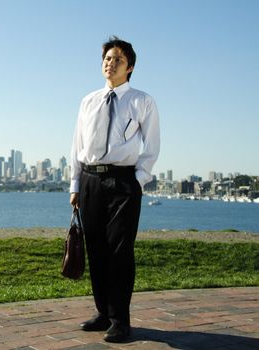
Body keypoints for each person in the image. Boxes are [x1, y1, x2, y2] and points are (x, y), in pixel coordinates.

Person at [69, 36, 160, 343]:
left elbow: (152, 145)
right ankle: (103, 313)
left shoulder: (142, 101)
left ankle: (121, 319)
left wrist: (139, 180)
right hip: (91, 181)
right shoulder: (88, 101)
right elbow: (77, 146)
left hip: (123, 183)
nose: (111, 63)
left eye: (118, 59)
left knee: (120, 250)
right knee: (95, 248)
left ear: (130, 67)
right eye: (107, 58)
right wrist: (75, 185)